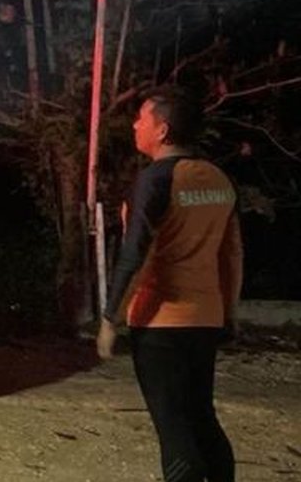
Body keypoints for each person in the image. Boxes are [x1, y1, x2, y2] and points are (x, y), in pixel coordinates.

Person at [98, 89, 241, 482]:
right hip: (205, 318)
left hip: (160, 322)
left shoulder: (156, 180)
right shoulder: (217, 178)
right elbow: (230, 256)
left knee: (173, 426)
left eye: (142, 118)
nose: (135, 124)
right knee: (202, 418)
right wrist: (228, 314)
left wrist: (112, 318)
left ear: (162, 131)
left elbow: (136, 255)